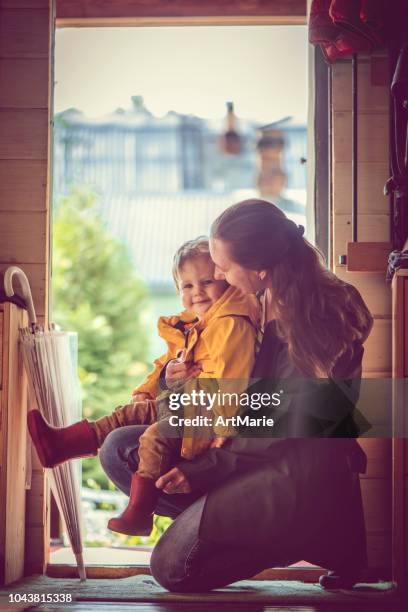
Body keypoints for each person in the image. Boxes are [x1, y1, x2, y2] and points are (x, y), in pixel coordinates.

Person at [99, 199, 373, 592]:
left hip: (291, 471)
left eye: (224, 268)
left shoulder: (320, 312)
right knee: (120, 448)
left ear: (259, 266)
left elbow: (279, 423)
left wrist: (202, 468)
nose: (220, 277)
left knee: (172, 570)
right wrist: (172, 380)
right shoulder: (258, 294)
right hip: (244, 446)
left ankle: (289, 536)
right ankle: (221, 525)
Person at [27, 236, 258, 536]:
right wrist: (153, 386)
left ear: (224, 280)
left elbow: (233, 382)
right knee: (126, 414)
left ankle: (140, 512)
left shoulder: (229, 324)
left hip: (206, 418)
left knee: (153, 437)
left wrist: (223, 432)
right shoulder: (194, 325)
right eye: (187, 286)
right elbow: (164, 363)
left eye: (206, 282)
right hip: (184, 405)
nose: (197, 292)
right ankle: (62, 445)